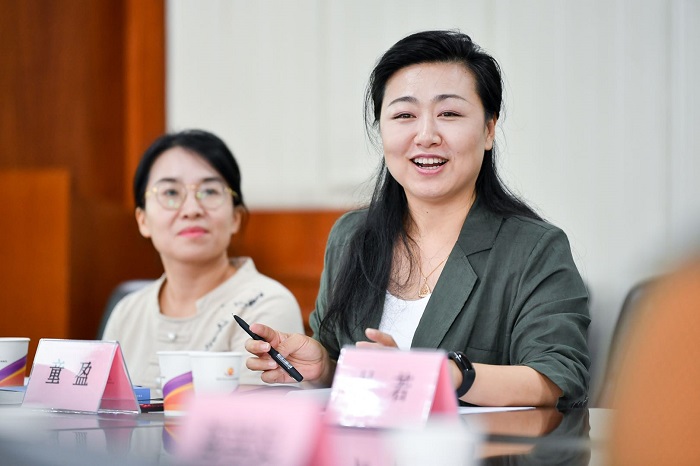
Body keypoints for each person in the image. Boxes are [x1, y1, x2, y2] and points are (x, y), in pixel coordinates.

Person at [244, 30, 590, 409]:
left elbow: (557, 376)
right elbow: (346, 368)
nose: (426, 136)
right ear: (381, 129)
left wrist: (436, 375)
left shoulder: (533, 248)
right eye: (404, 115)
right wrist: (322, 369)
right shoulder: (351, 236)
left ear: (489, 129)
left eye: (449, 114)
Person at [103, 129, 304, 389]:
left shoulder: (267, 305)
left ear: (235, 217)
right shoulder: (126, 313)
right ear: (142, 220)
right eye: (171, 192)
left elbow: (257, 412)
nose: (191, 210)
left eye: (209, 191)